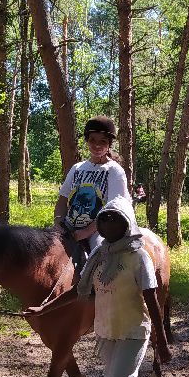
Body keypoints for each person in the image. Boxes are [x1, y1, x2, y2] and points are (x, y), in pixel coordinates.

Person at [77, 197, 171, 377]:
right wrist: (43, 309)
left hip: (133, 333)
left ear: (127, 224)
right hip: (106, 333)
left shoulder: (138, 257)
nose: (107, 225)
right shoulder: (99, 255)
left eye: (114, 219)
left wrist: (162, 342)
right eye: (103, 220)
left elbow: (153, 302)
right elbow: (82, 291)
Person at [55, 117, 131, 273]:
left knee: (101, 256)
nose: (97, 145)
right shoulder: (77, 168)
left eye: (102, 141)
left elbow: (113, 211)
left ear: (109, 144)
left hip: (99, 229)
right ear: (87, 141)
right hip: (69, 225)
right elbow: (62, 199)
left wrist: (84, 233)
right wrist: (58, 224)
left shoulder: (114, 171)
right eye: (92, 140)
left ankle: (99, 293)